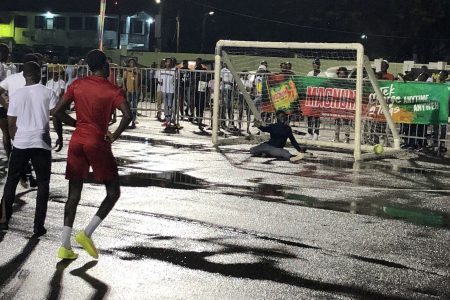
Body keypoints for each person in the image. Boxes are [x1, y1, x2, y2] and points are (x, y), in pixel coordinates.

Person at [53, 49, 132, 260]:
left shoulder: (77, 84)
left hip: (77, 140)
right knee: (113, 192)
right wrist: (113, 136)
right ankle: (86, 233)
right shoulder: (112, 90)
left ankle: (64, 245)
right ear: (105, 65)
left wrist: (76, 124)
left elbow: (57, 112)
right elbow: (128, 115)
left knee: (74, 194)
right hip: (97, 140)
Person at [0, 62, 58, 234]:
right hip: (41, 142)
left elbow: (11, 123)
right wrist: (61, 135)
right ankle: (38, 225)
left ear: (24, 75)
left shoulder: (17, 94)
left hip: (21, 143)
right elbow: (56, 116)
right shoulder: (48, 92)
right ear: (39, 74)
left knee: (11, 181)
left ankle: (4, 220)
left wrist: (16, 139)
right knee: (43, 184)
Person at [306, 58, 324, 140]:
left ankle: (317, 132)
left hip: (318, 98)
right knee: (309, 115)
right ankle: (310, 131)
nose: (315, 65)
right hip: (310, 97)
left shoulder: (323, 75)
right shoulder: (309, 73)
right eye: (314, 64)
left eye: (317, 64)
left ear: (319, 65)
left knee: (317, 116)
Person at [334, 67, 351, 143]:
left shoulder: (348, 83)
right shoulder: (335, 83)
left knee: (346, 121)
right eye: (340, 74)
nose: (342, 76)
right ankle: (336, 137)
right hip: (337, 104)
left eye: (343, 75)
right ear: (338, 75)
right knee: (337, 120)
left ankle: (347, 138)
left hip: (345, 104)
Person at [159, 57, 177, 126]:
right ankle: (167, 120)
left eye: (169, 62)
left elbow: (175, 81)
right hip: (164, 90)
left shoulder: (173, 71)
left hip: (171, 91)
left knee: (170, 105)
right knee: (166, 105)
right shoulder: (162, 71)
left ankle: (170, 119)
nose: (168, 63)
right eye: (167, 62)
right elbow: (161, 81)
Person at [123, 58, 139, 128]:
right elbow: (124, 80)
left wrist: (129, 69)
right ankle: (127, 121)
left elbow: (137, 72)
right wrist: (124, 88)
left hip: (135, 91)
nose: (132, 64)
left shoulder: (137, 70)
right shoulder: (126, 71)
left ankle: (133, 121)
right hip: (128, 90)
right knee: (128, 106)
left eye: (133, 62)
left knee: (134, 107)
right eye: (130, 62)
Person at [220, 63, 234, 128]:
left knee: (226, 106)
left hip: (226, 89)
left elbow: (233, 82)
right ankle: (226, 122)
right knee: (226, 106)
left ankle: (227, 122)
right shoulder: (227, 71)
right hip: (227, 89)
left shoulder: (228, 71)